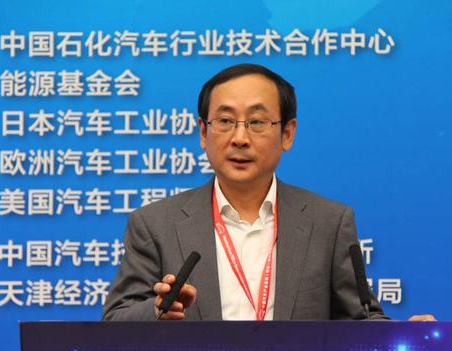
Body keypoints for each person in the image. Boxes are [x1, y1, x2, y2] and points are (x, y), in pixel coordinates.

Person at [102, 63, 433, 322]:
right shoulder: (155, 224)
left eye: (257, 122)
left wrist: (408, 337)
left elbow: (359, 320)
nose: (240, 138)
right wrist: (158, 311)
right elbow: (117, 319)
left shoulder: (328, 223)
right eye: (225, 121)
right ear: (203, 133)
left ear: (287, 134)